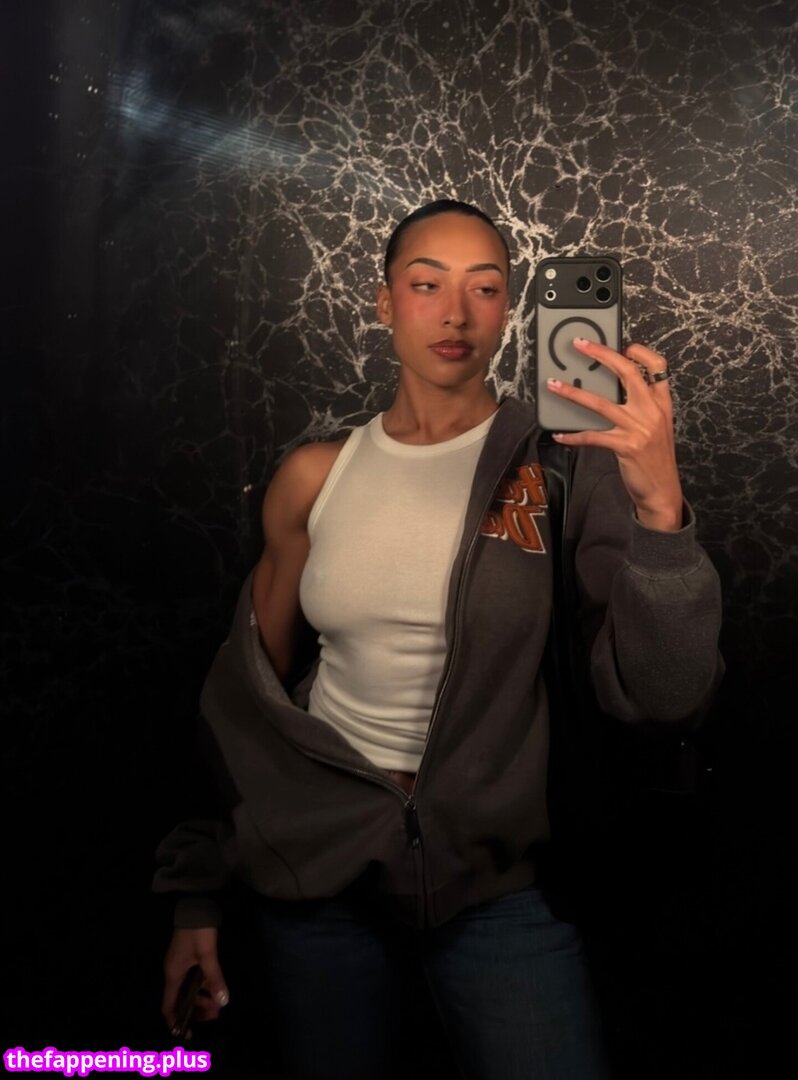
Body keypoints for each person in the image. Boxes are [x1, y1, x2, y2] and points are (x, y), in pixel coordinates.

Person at [153, 199, 724, 1080]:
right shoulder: (314, 475)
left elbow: (666, 695)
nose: (455, 313)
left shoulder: (563, 466)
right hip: (320, 885)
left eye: (484, 289)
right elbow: (242, 702)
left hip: (502, 891)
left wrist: (659, 503)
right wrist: (197, 892)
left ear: (510, 311)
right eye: (426, 285)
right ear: (385, 301)